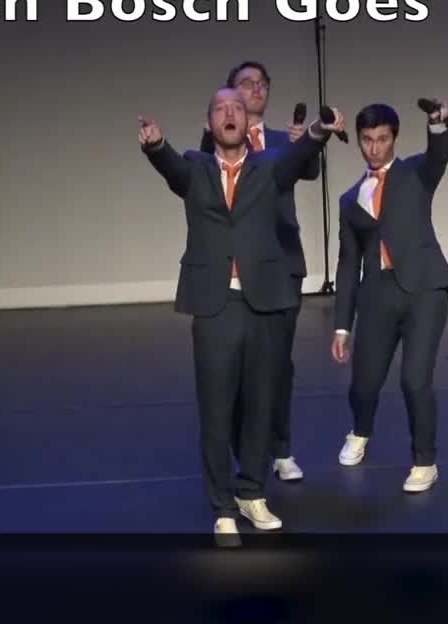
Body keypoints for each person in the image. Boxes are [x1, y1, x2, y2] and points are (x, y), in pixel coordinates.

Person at [138, 88, 344, 537]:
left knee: (260, 404)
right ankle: (223, 506)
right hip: (215, 304)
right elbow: (169, 166)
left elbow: (300, 155)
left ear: (247, 120)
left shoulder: (269, 167)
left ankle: (252, 492)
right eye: (220, 108)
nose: (230, 113)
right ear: (210, 122)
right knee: (216, 409)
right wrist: (156, 145)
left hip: (264, 300)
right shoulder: (195, 167)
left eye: (237, 108)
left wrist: (319, 130)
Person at [330, 101, 448, 492]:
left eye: (382, 139)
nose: (374, 147)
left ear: (394, 139)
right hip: (378, 294)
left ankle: (425, 462)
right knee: (363, 384)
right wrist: (341, 326)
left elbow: (439, 156)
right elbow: (348, 265)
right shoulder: (350, 200)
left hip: (425, 288)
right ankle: (360, 431)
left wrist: (437, 125)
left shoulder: (416, 172)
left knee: (414, 380)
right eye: (367, 140)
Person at [202, 61, 317, 483]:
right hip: (234, 270)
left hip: (281, 262)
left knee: (278, 363)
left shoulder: (284, 141)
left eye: (262, 84)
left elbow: (310, 171)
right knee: (233, 367)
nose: (256, 90)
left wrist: (304, 145)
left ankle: (281, 449)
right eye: (246, 84)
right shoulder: (217, 140)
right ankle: (243, 450)